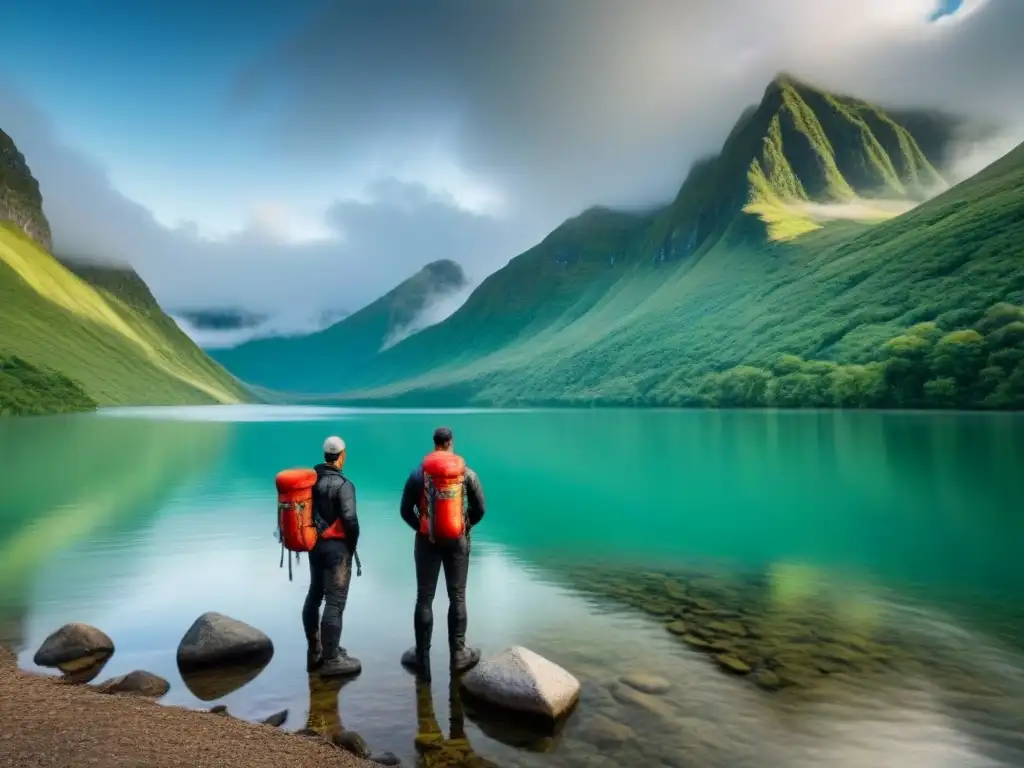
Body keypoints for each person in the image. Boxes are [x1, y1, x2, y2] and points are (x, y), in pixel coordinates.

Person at [400, 427, 486, 681]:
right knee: (457, 596)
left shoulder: (419, 473)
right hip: (458, 541)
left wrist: (424, 527)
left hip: (427, 541)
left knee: (424, 597)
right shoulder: (465, 473)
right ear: (450, 443)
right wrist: (463, 524)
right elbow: (480, 508)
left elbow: (406, 510)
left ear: (434, 444)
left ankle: (422, 655)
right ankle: (458, 653)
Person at [303, 435, 361, 677]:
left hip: (314, 546)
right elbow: (350, 519)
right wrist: (352, 543)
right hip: (337, 550)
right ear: (342, 455)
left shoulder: (311, 480)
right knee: (335, 601)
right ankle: (332, 659)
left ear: (325, 455)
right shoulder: (344, 485)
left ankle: (316, 649)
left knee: (315, 593)